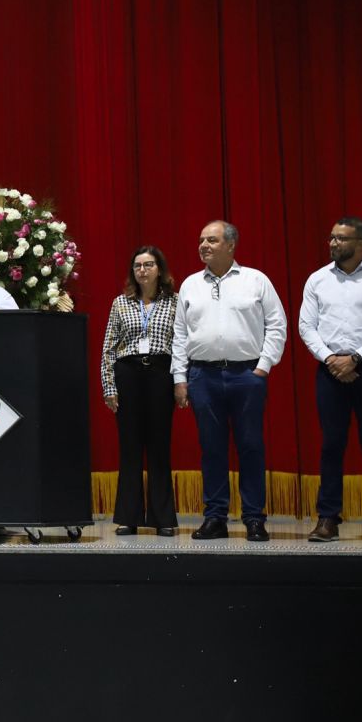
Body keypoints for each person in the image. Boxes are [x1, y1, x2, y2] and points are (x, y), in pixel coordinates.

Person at [171, 221, 287, 542]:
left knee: (250, 446)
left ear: (231, 245)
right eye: (201, 240)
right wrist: (180, 377)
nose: (204, 245)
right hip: (202, 377)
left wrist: (263, 366)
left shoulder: (256, 280)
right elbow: (179, 334)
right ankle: (215, 517)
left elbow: (277, 324)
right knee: (211, 449)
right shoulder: (191, 284)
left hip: (246, 375)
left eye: (212, 240)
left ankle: (254, 518)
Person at [298, 217, 362, 545]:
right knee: (332, 444)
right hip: (330, 371)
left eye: (342, 239)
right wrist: (331, 359)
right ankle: (328, 518)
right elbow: (306, 326)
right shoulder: (317, 279)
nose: (333, 243)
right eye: (332, 238)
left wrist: (356, 358)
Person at [99, 246, 179, 536]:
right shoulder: (121, 303)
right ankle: (128, 516)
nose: (142, 270)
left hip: (160, 373)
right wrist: (109, 386)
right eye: (137, 266)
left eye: (148, 265)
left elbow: (181, 343)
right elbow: (109, 347)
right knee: (130, 446)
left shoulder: (175, 302)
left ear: (160, 269)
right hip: (128, 374)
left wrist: (181, 382)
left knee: (159, 446)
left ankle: (163, 518)